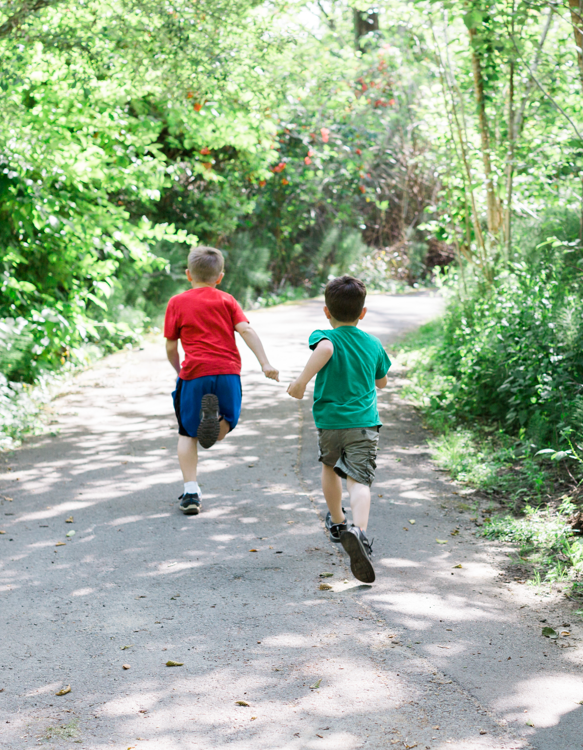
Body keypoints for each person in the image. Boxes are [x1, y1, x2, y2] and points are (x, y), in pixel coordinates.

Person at [287, 275, 390, 583]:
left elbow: (327, 348)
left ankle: (337, 521)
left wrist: (301, 381)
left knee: (331, 469)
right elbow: (382, 381)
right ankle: (359, 532)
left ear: (326, 311)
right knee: (359, 481)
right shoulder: (372, 343)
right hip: (363, 423)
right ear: (363, 312)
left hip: (331, 422)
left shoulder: (324, 336)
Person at [164, 246, 279, 515]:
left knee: (186, 432)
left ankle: (191, 491)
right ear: (220, 276)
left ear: (188, 274)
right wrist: (265, 363)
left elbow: (171, 346)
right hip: (227, 372)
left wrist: (178, 369)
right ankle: (218, 425)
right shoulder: (227, 300)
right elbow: (246, 330)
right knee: (230, 418)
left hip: (194, 373)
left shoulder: (177, 302)